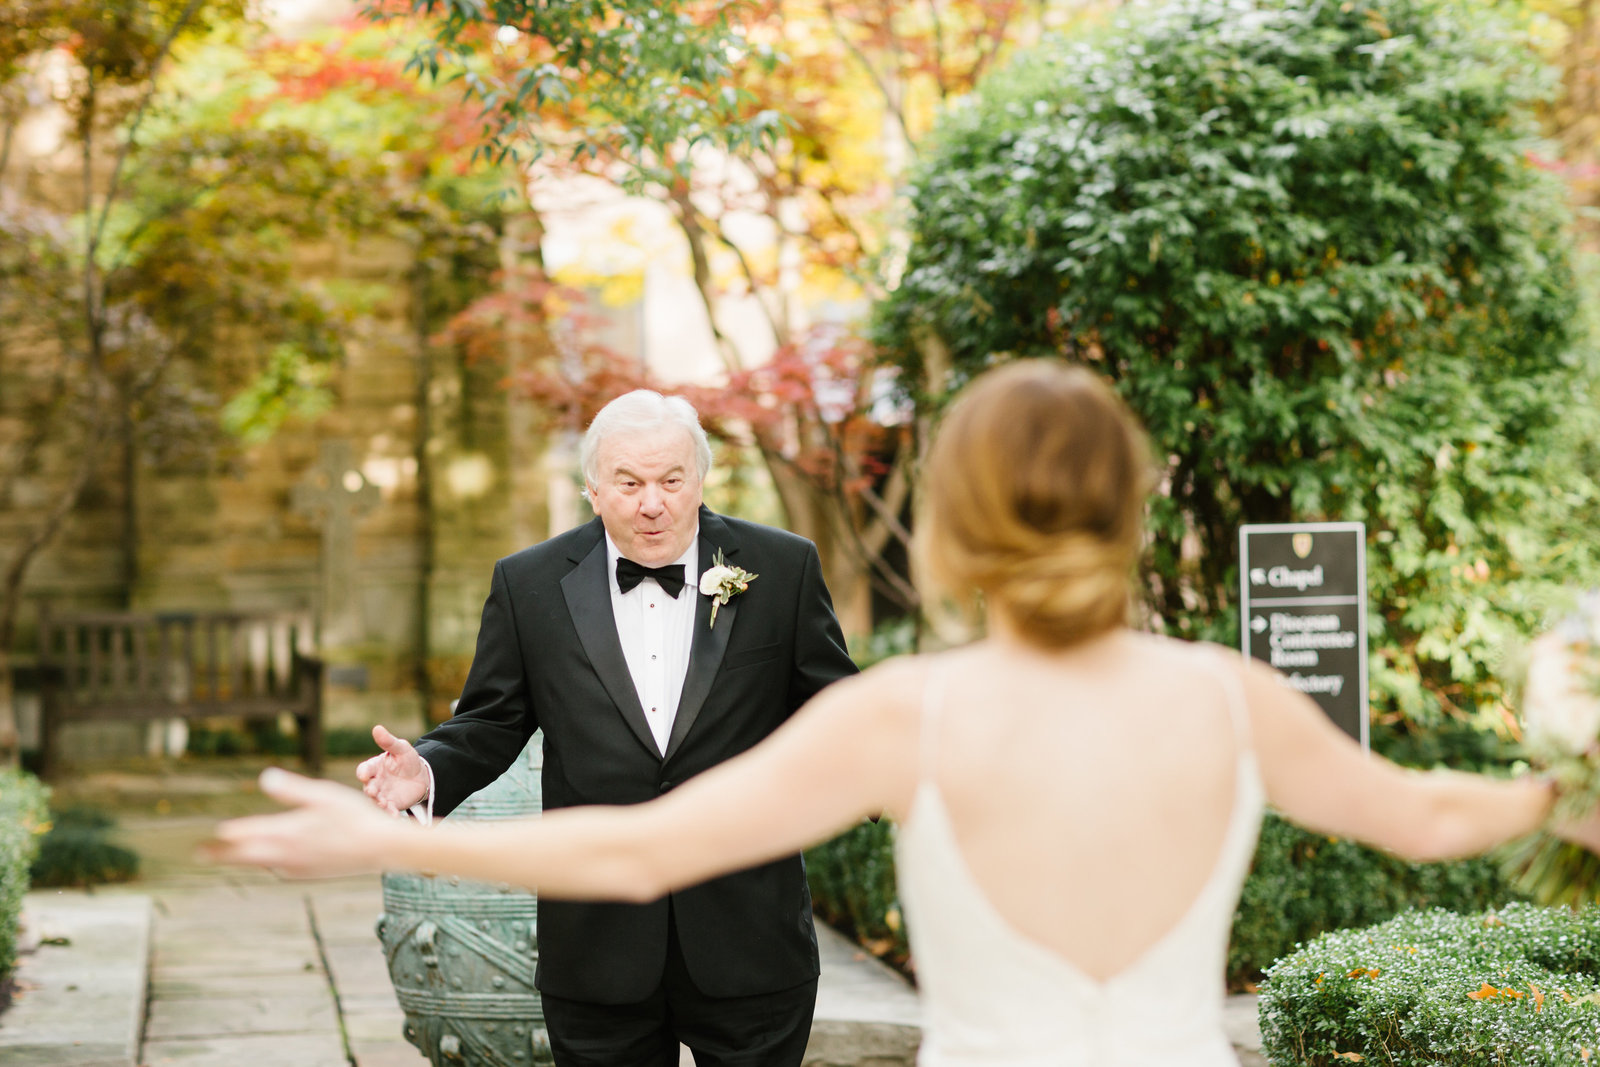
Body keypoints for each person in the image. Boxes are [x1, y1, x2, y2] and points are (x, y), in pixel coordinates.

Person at [211, 361, 1600, 1067]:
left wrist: (362, 840)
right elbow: (1430, 813)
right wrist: (1569, 781)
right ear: (1136, 499)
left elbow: (638, 847)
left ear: (953, 520)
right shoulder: (1230, 699)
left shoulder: (914, 716)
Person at [349, 389, 859, 1067]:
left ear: (699, 478)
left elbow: (838, 708)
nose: (653, 503)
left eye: (672, 480)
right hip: (596, 942)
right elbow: (492, 719)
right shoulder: (527, 583)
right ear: (593, 488)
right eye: (630, 482)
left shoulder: (784, 568)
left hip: (750, 935)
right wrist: (430, 769)